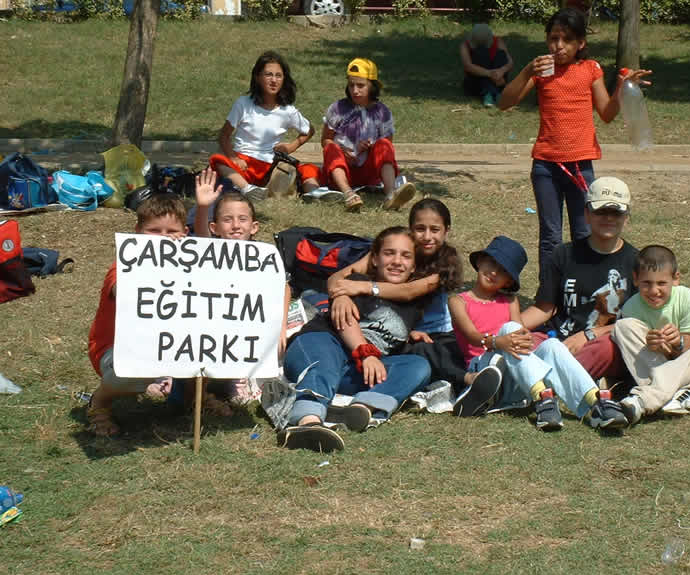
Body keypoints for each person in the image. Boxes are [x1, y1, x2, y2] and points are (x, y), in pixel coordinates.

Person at [498, 7, 651, 283]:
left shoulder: (590, 70)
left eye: (567, 39)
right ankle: (549, 295)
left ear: (580, 43)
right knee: (550, 236)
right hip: (546, 165)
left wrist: (621, 88)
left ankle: (584, 291)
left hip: (581, 166)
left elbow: (606, 113)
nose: (558, 46)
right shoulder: (542, 70)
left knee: (584, 233)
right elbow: (504, 103)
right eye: (553, 38)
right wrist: (526, 71)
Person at [279, 227, 432, 452]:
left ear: (414, 265)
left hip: (354, 371)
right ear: (376, 259)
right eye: (389, 253)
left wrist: (411, 337)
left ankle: (362, 406)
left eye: (406, 256)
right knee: (324, 358)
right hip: (321, 345)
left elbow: (388, 337)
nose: (397, 261)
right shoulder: (354, 283)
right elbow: (345, 322)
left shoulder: (413, 305)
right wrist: (365, 351)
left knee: (419, 366)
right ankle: (307, 422)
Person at [448, 236, 625, 430]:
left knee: (553, 344)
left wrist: (517, 341)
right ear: (480, 261)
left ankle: (596, 402)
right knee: (509, 329)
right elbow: (471, 335)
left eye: (502, 271)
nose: (493, 272)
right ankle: (542, 396)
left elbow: (521, 333)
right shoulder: (458, 301)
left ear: (508, 282)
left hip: (514, 371)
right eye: (491, 263)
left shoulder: (510, 301)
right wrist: (499, 342)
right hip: (483, 369)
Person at [327, 198, 472, 397]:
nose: (427, 236)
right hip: (400, 332)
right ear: (410, 228)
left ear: (447, 231)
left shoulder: (446, 262)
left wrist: (364, 286)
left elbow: (409, 291)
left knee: (441, 353)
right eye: (420, 229)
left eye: (435, 230)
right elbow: (337, 278)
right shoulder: (393, 250)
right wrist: (340, 296)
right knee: (419, 356)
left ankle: (469, 382)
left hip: (436, 332)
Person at [519, 177, 639, 392]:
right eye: (601, 211)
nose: (608, 218)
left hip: (602, 344)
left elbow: (636, 323)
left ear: (627, 217)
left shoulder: (637, 262)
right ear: (586, 214)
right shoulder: (563, 254)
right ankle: (571, 382)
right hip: (558, 342)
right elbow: (544, 308)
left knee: (609, 350)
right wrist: (508, 328)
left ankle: (542, 383)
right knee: (524, 343)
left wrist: (588, 335)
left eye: (616, 213)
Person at [86, 195, 188, 436]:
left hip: (166, 347)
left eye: (171, 231)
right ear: (138, 231)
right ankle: (99, 402)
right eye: (154, 230)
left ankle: (197, 400)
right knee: (138, 365)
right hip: (114, 350)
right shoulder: (123, 265)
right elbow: (121, 290)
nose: (163, 237)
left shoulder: (189, 265)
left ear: (184, 233)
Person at [192, 168, 290, 407]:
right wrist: (203, 207)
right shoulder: (209, 250)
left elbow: (283, 287)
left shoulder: (265, 255)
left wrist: (281, 325)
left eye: (242, 219)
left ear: (254, 227)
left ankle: (239, 376)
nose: (236, 226)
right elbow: (201, 237)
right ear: (215, 228)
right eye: (227, 219)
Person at [612, 245, 690, 425]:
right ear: (636, 279)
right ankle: (675, 396)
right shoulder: (631, 307)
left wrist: (677, 343)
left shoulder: (689, 299)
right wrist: (653, 346)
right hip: (658, 364)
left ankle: (641, 402)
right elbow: (644, 352)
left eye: (661, 283)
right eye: (647, 283)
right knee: (622, 326)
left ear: (675, 279)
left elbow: (685, 349)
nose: (654, 291)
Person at [209, 51, 334, 201]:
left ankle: (314, 193)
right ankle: (247, 189)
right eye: (268, 75)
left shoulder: (287, 110)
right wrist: (234, 158)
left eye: (278, 76)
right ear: (257, 77)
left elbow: (309, 130)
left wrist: (290, 147)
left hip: (271, 166)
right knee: (218, 160)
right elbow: (224, 136)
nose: (274, 80)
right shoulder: (243, 104)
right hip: (244, 163)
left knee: (308, 169)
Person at [320, 57, 416, 212]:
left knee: (384, 145)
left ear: (372, 86)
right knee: (331, 148)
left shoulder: (382, 112)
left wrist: (369, 148)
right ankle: (348, 194)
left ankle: (391, 194)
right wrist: (343, 152)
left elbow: (387, 147)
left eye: (361, 86)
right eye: (351, 85)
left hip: (369, 172)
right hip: (341, 170)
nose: (355, 90)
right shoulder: (337, 108)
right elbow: (325, 140)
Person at [460, 23, 513, 107]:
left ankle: (496, 92)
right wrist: (490, 74)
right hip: (476, 81)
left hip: (498, 77)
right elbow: (468, 66)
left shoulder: (498, 42)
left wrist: (501, 71)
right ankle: (490, 93)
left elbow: (509, 62)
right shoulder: (465, 46)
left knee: (501, 54)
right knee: (481, 54)